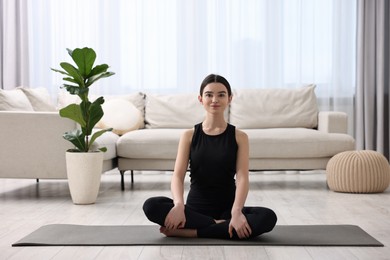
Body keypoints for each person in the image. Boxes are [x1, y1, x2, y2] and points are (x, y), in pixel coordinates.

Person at [143, 74, 277, 239]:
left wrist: (236, 212)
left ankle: (192, 232)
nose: (215, 99)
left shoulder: (240, 137)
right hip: (194, 211)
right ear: (200, 99)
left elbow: (242, 178)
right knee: (151, 206)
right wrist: (178, 205)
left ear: (230, 98)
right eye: (209, 95)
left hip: (228, 210)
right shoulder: (189, 135)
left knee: (267, 217)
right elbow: (178, 176)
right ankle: (219, 225)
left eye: (221, 94)